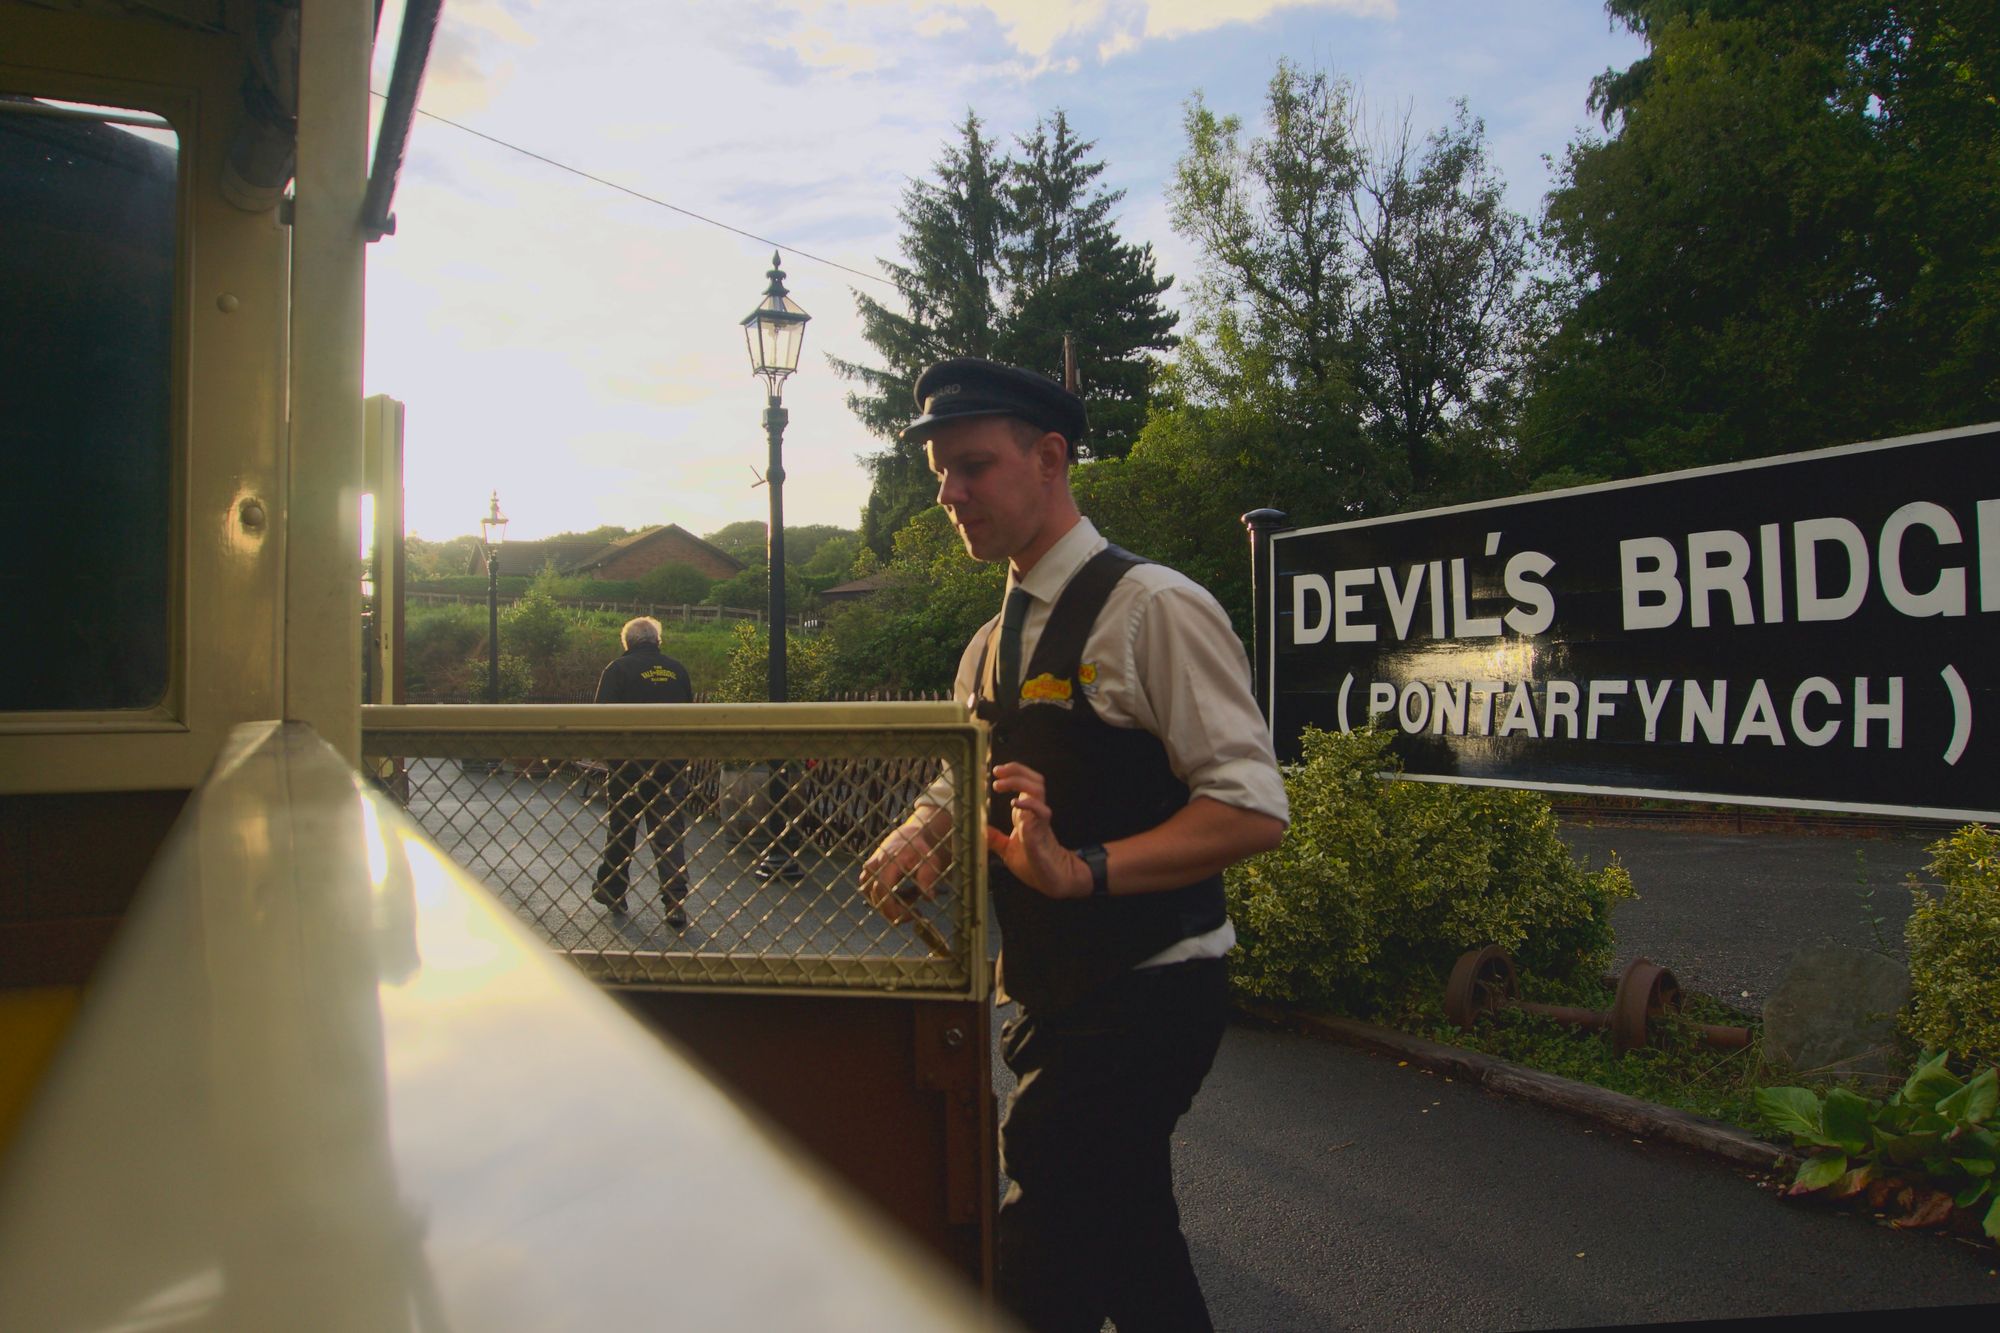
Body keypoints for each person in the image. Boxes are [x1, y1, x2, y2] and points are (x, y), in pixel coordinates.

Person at [859, 358, 1289, 1332]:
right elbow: (964, 780)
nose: (949, 495)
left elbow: (1251, 808)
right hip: (1055, 992)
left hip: (1152, 986)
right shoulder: (985, 642)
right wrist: (919, 835)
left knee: (1039, 1228)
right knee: (1129, 1239)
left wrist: (1083, 870)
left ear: (1049, 458)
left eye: (972, 466)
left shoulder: (1154, 609)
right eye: (939, 475)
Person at [592, 616, 695, 928]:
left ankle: (612, 890)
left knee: (622, 831)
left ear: (628, 643)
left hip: (629, 767)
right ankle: (675, 901)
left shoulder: (617, 669)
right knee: (668, 836)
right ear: (657, 641)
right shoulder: (677, 671)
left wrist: (609, 757)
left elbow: (600, 717)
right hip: (669, 766)